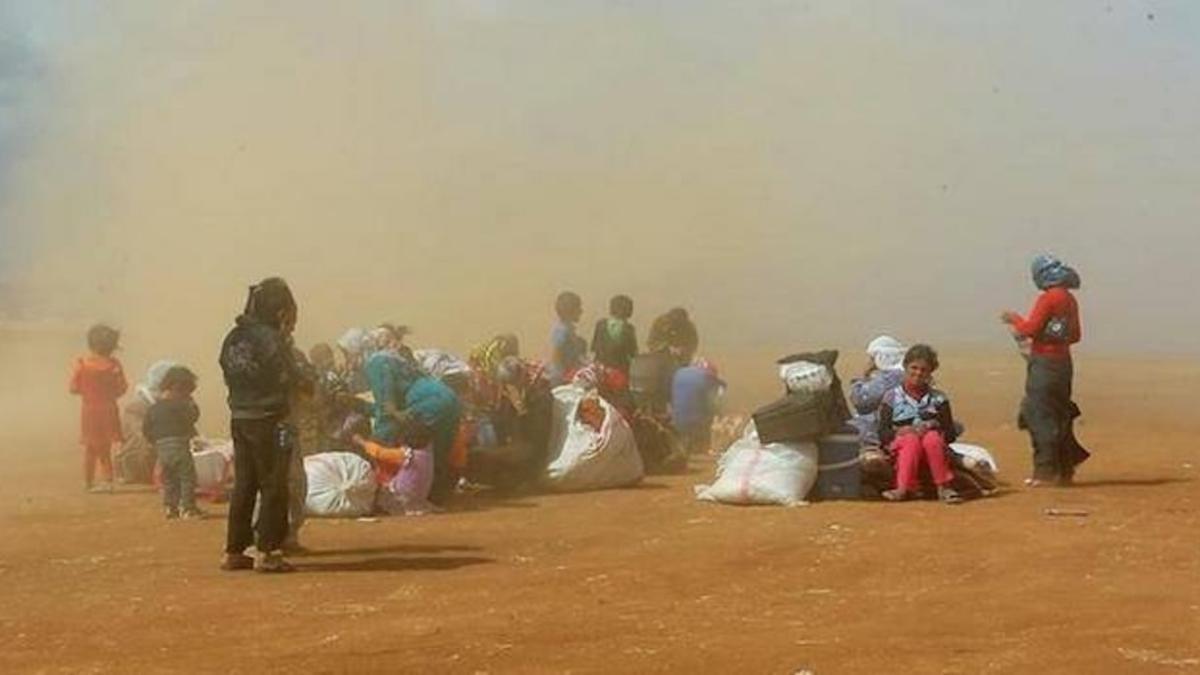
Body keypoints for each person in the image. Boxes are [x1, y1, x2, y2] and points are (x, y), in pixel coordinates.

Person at [218, 277, 303, 573]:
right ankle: (268, 550)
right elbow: (292, 377)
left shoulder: (233, 337)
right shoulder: (271, 339)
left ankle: (234, 550)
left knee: (244, 484)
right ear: (280, 311)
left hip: (240, 418)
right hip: (271, 419)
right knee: (274, 484)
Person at [1001, 254, 1090, 487]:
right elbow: (1076, 335)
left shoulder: (1048, 299)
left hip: (1044, 364)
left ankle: (1045, 472)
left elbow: (1030, 329)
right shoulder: (1069, 299)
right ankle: (1065, 467)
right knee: (1059, 414)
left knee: (1038, 414)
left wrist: (1014, 319)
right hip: (1063, 365)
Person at [877, 345, 962, 505]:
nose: (918, 373)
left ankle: (943, 487)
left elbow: (950, 434)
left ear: (930, 372)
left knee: (932, 439)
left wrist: (932, 426)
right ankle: (902, 488)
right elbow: (882, 433)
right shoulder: (891, 397)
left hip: (933, 447)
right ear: (905, 367)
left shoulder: (939, 399)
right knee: (910, 440)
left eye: (924, 369)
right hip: (901, 446)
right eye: (914, 368)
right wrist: (901, 432)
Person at [69, 324, 129, 493]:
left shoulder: (81, 364)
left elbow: (73, 388)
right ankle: (107, 480)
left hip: (89, 411)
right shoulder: (115, 365)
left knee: (90, 447)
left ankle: (88, 482)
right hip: (109, 409)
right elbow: (122, 388)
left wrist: (88, 392)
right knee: (105, 447)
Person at [143, 366, 204, 519]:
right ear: (180, 389)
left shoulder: (154, 408)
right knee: (187, 478)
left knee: (169, 478)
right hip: (179, 447)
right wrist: (193, 406)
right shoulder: (181, 405)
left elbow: (146, 428)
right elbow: (192, 418)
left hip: (162, 449)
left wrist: (155, 442)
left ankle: (170, 507)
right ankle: (188, 508)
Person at [848, 336, 907, 447]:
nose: (870, 362)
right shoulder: (900, 374)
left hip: (877, 432)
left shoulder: (892, 377)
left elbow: (860, 400)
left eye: (872, 358)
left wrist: (863, 378)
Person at [670, 358, 725, 457]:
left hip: (677, 422)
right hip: (699, 424)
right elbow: (714, 403)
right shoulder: (708, 377)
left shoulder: (679, 372)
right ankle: (701, 449)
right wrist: (719, 415)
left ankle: (688, 447)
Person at [591, 295, 638, 373]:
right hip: (620, 367)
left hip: (601, 366)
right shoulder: (629, 328)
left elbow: (595, 347)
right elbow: (632, 351)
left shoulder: (601, 324)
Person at [547, 291, 587, 385]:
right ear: (570, 310)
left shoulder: (568, 328)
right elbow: (556, 353)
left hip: (569, 375)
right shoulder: (561, 330)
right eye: (578, 308)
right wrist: (563, 375)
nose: (581, 311)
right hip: (561, 378)